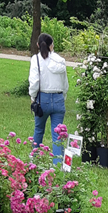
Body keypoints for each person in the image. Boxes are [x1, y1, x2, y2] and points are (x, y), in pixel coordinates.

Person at [29, 33, 69, 163]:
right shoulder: (60, 61)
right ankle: (58, 164)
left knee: (39, 129)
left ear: (38, 45)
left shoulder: (36, 59)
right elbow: (65, 83)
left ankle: (34, 159)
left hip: (42, 99)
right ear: (52, 45)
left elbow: (34, 81)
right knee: (57, 134)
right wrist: (63, 97)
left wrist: (33, 96)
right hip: (58, 98)